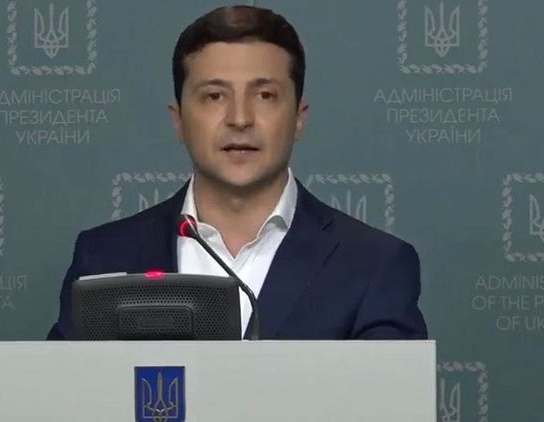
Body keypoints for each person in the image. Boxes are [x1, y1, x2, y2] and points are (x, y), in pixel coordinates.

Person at [47, 5, 427, 340]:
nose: (240, 119)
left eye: (265, 95)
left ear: (299, 118)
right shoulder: (104, 258)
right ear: (179, 120)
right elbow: (63, 391)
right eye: (214, 96)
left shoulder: (373, 265)